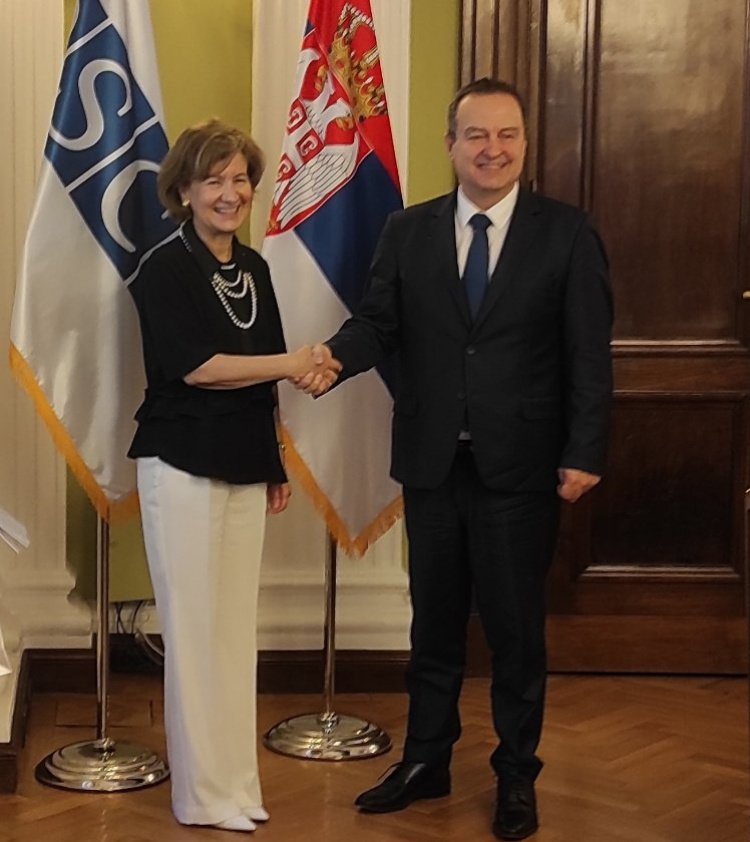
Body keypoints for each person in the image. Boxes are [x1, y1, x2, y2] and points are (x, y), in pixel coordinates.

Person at [303, 78, 613, 840]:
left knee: (515, 632)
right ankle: (426, 760)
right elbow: (377, 324)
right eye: (476, 135)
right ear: (451, 146)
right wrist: (330, 360)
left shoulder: (567, 234)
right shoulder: (407, 231)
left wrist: (585, 449)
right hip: (433, 463)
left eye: (506, 135)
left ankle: (516, 775)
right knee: (434, 625)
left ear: (525, 145)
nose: (492, 149)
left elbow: (588, 354)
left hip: (522, 469)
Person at [127, 119, 338, 833]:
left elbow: (261, 382)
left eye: (240, 178)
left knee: (232, 630)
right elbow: (199, 368)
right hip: (179, 461)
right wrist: (295, 361)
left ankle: (237, 786)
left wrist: (272, 460)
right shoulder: (163, 268)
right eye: (212, 180)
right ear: (184, 191)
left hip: (245, 462)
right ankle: (200, 796)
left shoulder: (254, 268)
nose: (229, 193)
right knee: (193, 631)